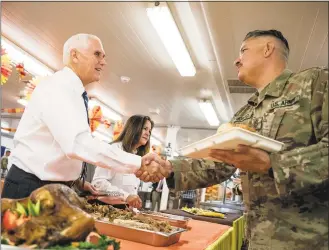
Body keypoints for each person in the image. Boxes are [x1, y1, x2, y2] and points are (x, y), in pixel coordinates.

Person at [137, 29, 328, 250]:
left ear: (267, 49)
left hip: (311, 242)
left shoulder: (315, 84)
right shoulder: (243, 115)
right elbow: (218, 164)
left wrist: (272, 164)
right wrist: (169, 167)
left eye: (243, 51)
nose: (237, 60)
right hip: (257, 240)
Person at [2, 33, 166, 199]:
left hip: (52, 188)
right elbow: (77, 143)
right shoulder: (58, 87)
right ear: (74, 55)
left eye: (104, 56)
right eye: (97, 54)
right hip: (30, 188)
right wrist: (138, 163)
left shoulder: (74, 92)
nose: (104, 62)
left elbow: (57, 151)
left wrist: (77, 182)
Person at [92, 115, 154, 209]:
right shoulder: (114, 149)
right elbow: (98, 184)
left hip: (124, 212)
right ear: (134, 128)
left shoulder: (136, 156)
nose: (148, 133)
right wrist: (125, 196)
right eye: (145, 129)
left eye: (149, 131)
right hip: (105, 210)